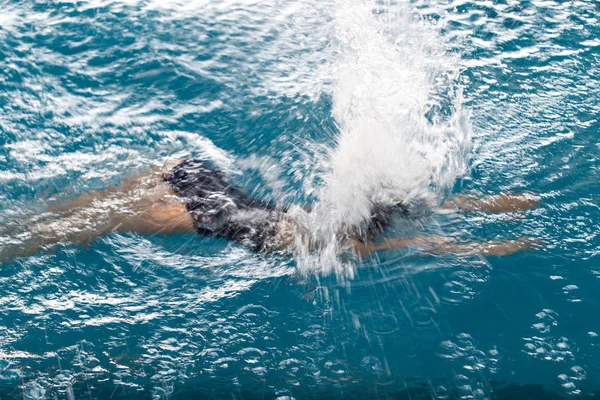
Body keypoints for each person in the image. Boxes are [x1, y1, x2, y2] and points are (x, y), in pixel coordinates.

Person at [0, 159, 540, 264]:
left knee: (66, 213)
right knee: (70, 231)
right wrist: (493, 243)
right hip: (197, 214)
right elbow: (432, 242)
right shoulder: (352, 245)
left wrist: (502, 209)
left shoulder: (334, 220)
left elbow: (434, 214)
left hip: (197, 176)